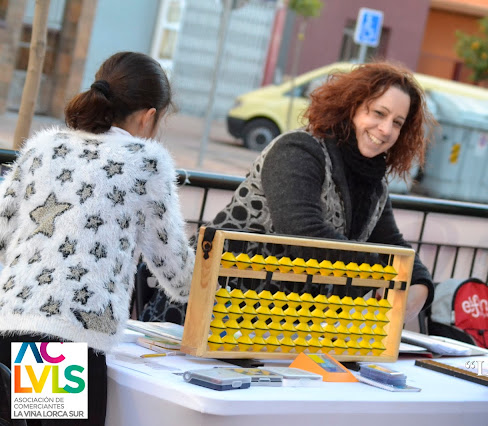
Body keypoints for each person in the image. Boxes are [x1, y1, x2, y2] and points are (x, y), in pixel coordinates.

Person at [143, 61, 435, 323]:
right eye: (378, 113)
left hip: (274, 320)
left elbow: (393, 244)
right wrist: (388, 275)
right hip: (210, 307)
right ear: (351, 107)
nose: (385, 129)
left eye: (397, 123)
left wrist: (420, 284)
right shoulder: (298, 150)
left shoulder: (374, 180)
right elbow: (304, 235)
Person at [0, 51, 195, 425]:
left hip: (11, 323)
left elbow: (2, 233)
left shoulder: (44, 147)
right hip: (58, 346)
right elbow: (178, 275)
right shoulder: (143, 160)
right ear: (149, 116)